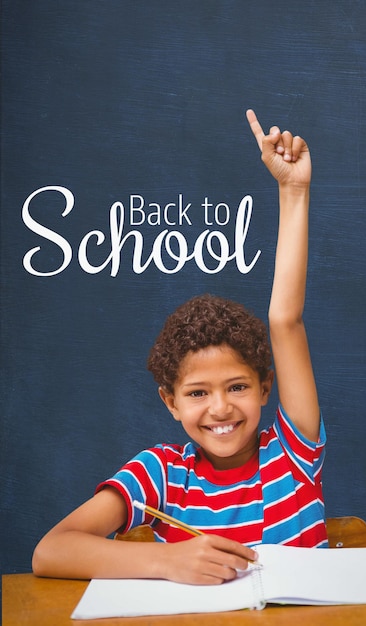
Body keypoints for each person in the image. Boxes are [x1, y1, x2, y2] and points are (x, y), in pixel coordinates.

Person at [32, 109, 327, 585]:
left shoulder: (294, 453)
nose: (220, 408)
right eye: (196, 393)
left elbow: (284, 320)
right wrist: (167, 562)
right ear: (169, 402)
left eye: (237, 386)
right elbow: (50, 552)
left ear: (266, 386)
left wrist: (293, 192)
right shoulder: (161, 475)